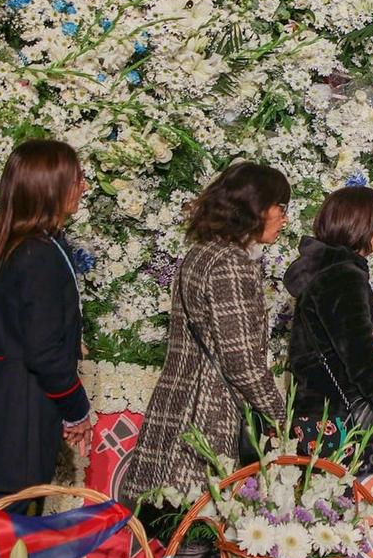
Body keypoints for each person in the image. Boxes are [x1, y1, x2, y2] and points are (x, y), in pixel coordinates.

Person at [122, 163, 290, 511]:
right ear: (257, 209)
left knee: (171, 520)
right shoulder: (232, 263)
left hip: (178, 402)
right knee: (198, 527)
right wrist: (280, 416)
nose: (285, 219)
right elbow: (241, 362)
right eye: (281, 208)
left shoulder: (201, 253)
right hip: (207, 414)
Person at [0, 141, 94, 511]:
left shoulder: (32, 245)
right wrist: (76, 409)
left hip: (12, 407)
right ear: (49, 187)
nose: (84, 187)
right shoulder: (36, 254)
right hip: (15, 415)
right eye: (77, 179)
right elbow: (43, 350)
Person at [282, 186, 373, 464]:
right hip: (337, 418)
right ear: (365, 229)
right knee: (338, 503)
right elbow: (361, 360)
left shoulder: (322, 272)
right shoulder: (344, 276)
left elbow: (337, 339)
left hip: (314, 414)